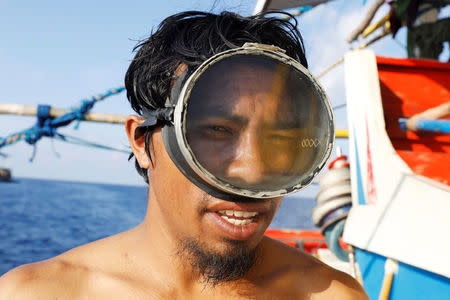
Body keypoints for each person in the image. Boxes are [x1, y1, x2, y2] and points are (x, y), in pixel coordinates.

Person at [0, 11, 368, 299]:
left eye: (279, 139)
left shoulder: (332, 294)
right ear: (142, 142)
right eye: (216, 131)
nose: (254, 170)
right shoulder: (38, 294)